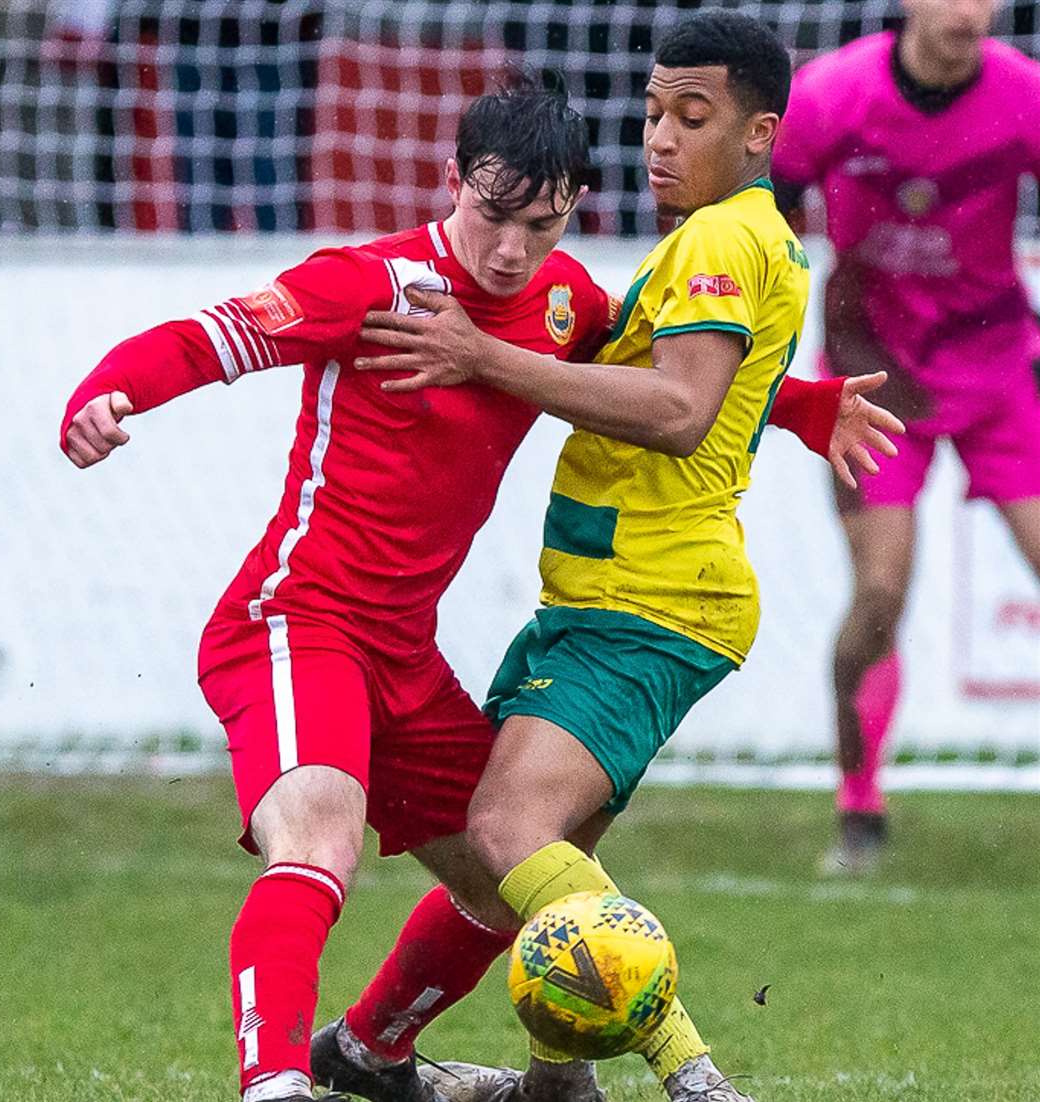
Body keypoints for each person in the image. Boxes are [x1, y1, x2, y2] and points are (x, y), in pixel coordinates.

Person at [61, 80, 893, 1102]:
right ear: (452, 181)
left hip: (404, 658)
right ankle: (273, 1084)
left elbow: (664, 384)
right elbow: (213, 334)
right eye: (491, 214)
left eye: (538, 224)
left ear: (574, 209)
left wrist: (806, 407)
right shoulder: (372, 284)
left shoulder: (565, 301)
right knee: (319, 834)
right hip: (294, 619)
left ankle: (376, 1053)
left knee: (513, 876)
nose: (507, 249)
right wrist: (106, 392)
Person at [318, 12, 902, 1102]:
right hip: (624, 600)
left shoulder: (725, 237)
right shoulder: (740, 238)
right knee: (540, 869)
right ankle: (418, 1057)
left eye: (693, 116)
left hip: (646, 602)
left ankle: (689, 1068)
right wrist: (802, 403)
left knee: (501, 828)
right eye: (651, 113)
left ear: (760, 133)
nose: (659, 140)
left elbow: (681, 409)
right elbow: (714, 383)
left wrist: (478, 355)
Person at [770, 0, 1040, 874]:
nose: (970, 10)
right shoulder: (828, 97)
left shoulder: (1024, 96)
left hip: (1000, 370)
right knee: (881, 595)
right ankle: (859, 803)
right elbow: (758, 213)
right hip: (876, 375)